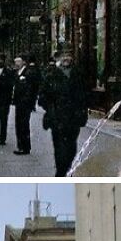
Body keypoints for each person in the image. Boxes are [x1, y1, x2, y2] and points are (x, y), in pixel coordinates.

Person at [38, 48, 88, 176]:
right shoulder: (51, 75)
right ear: (59, 58)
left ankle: (67, 169)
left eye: (68, 55)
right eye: (63, 55)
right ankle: (61, 172)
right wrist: (51, 108)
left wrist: (82, 111)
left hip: (73, 118)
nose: (66, 58)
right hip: (57, 118)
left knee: (71, 147)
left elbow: (85, 95)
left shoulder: (79, 74)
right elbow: (42, 96)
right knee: (59, 146)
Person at [12, 56, 36, 155]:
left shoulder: (28, 73)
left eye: (18, 61)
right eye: (15, 61)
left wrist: (28, 101)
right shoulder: (16, 73)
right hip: (19, 103)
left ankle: (25, 147)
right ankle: (20, 145)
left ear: (23, 62)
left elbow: (31, 89)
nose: (16, 63)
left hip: (25, 103)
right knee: (19, 124)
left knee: (24, 125)